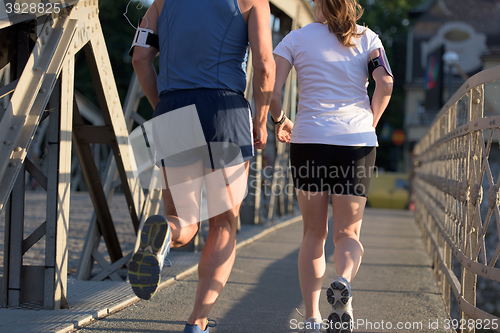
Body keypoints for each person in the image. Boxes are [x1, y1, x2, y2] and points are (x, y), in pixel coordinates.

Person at [127, 0, 275, 332]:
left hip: (172, 104)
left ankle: (165, 236)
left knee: (183, 219)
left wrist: (163, 106)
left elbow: (139, 57)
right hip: (224, 110)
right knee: (223, 223)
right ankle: (197, 322)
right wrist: (262, 120)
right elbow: (265, 65)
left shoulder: (161, 2)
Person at [270, 0, 393, 332]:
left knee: (314, 233)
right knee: (348, 233)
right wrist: (370, 122)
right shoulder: (368, 38)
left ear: (316, 3)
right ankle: (342, 281)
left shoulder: (295, 39)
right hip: (356, 141)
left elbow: (272, 89)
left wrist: (280, 119)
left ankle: (311, 318)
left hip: (310, 140)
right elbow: (386, 84)